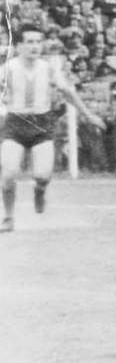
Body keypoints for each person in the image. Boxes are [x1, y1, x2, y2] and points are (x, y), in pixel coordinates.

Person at [1, 24, 106, 233]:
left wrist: (88, 115)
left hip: (41, 125)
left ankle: (39, 190)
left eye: (38, 42)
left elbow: (69, 92)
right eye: (29, 42)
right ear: (19, 46)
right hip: (15, 124)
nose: (35, 46)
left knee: (43, 175)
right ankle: (9, 218)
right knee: (9, 173)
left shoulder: (47, 68)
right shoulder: (8, 68)